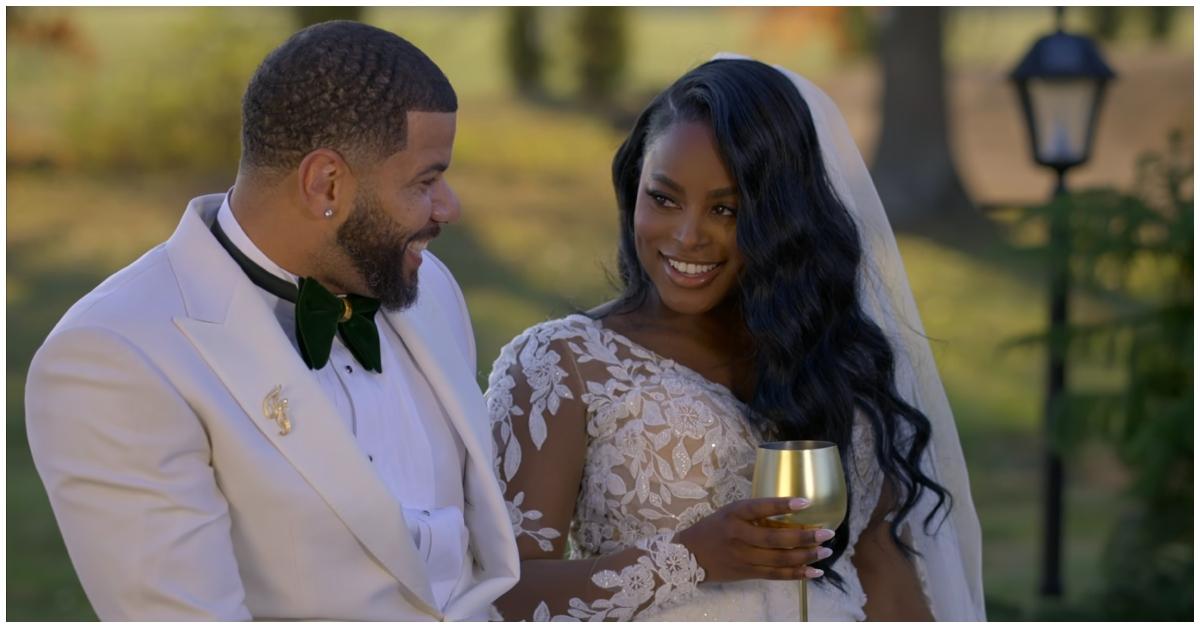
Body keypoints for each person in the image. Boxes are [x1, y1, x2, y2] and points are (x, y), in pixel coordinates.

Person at [25, 21, 518, 620]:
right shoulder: (116, 356)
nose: (450, 207)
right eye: (427, 180)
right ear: (325, 183)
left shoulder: (429, 288)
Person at [484, 54, 986, 621]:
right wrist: (687, 559)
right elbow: (501, 597)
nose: (688, 235)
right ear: (634, 188)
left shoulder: (837, 362)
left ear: (782, 219)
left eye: (726, 209)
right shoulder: (562, 365)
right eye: (664, 198)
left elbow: (885, 578)